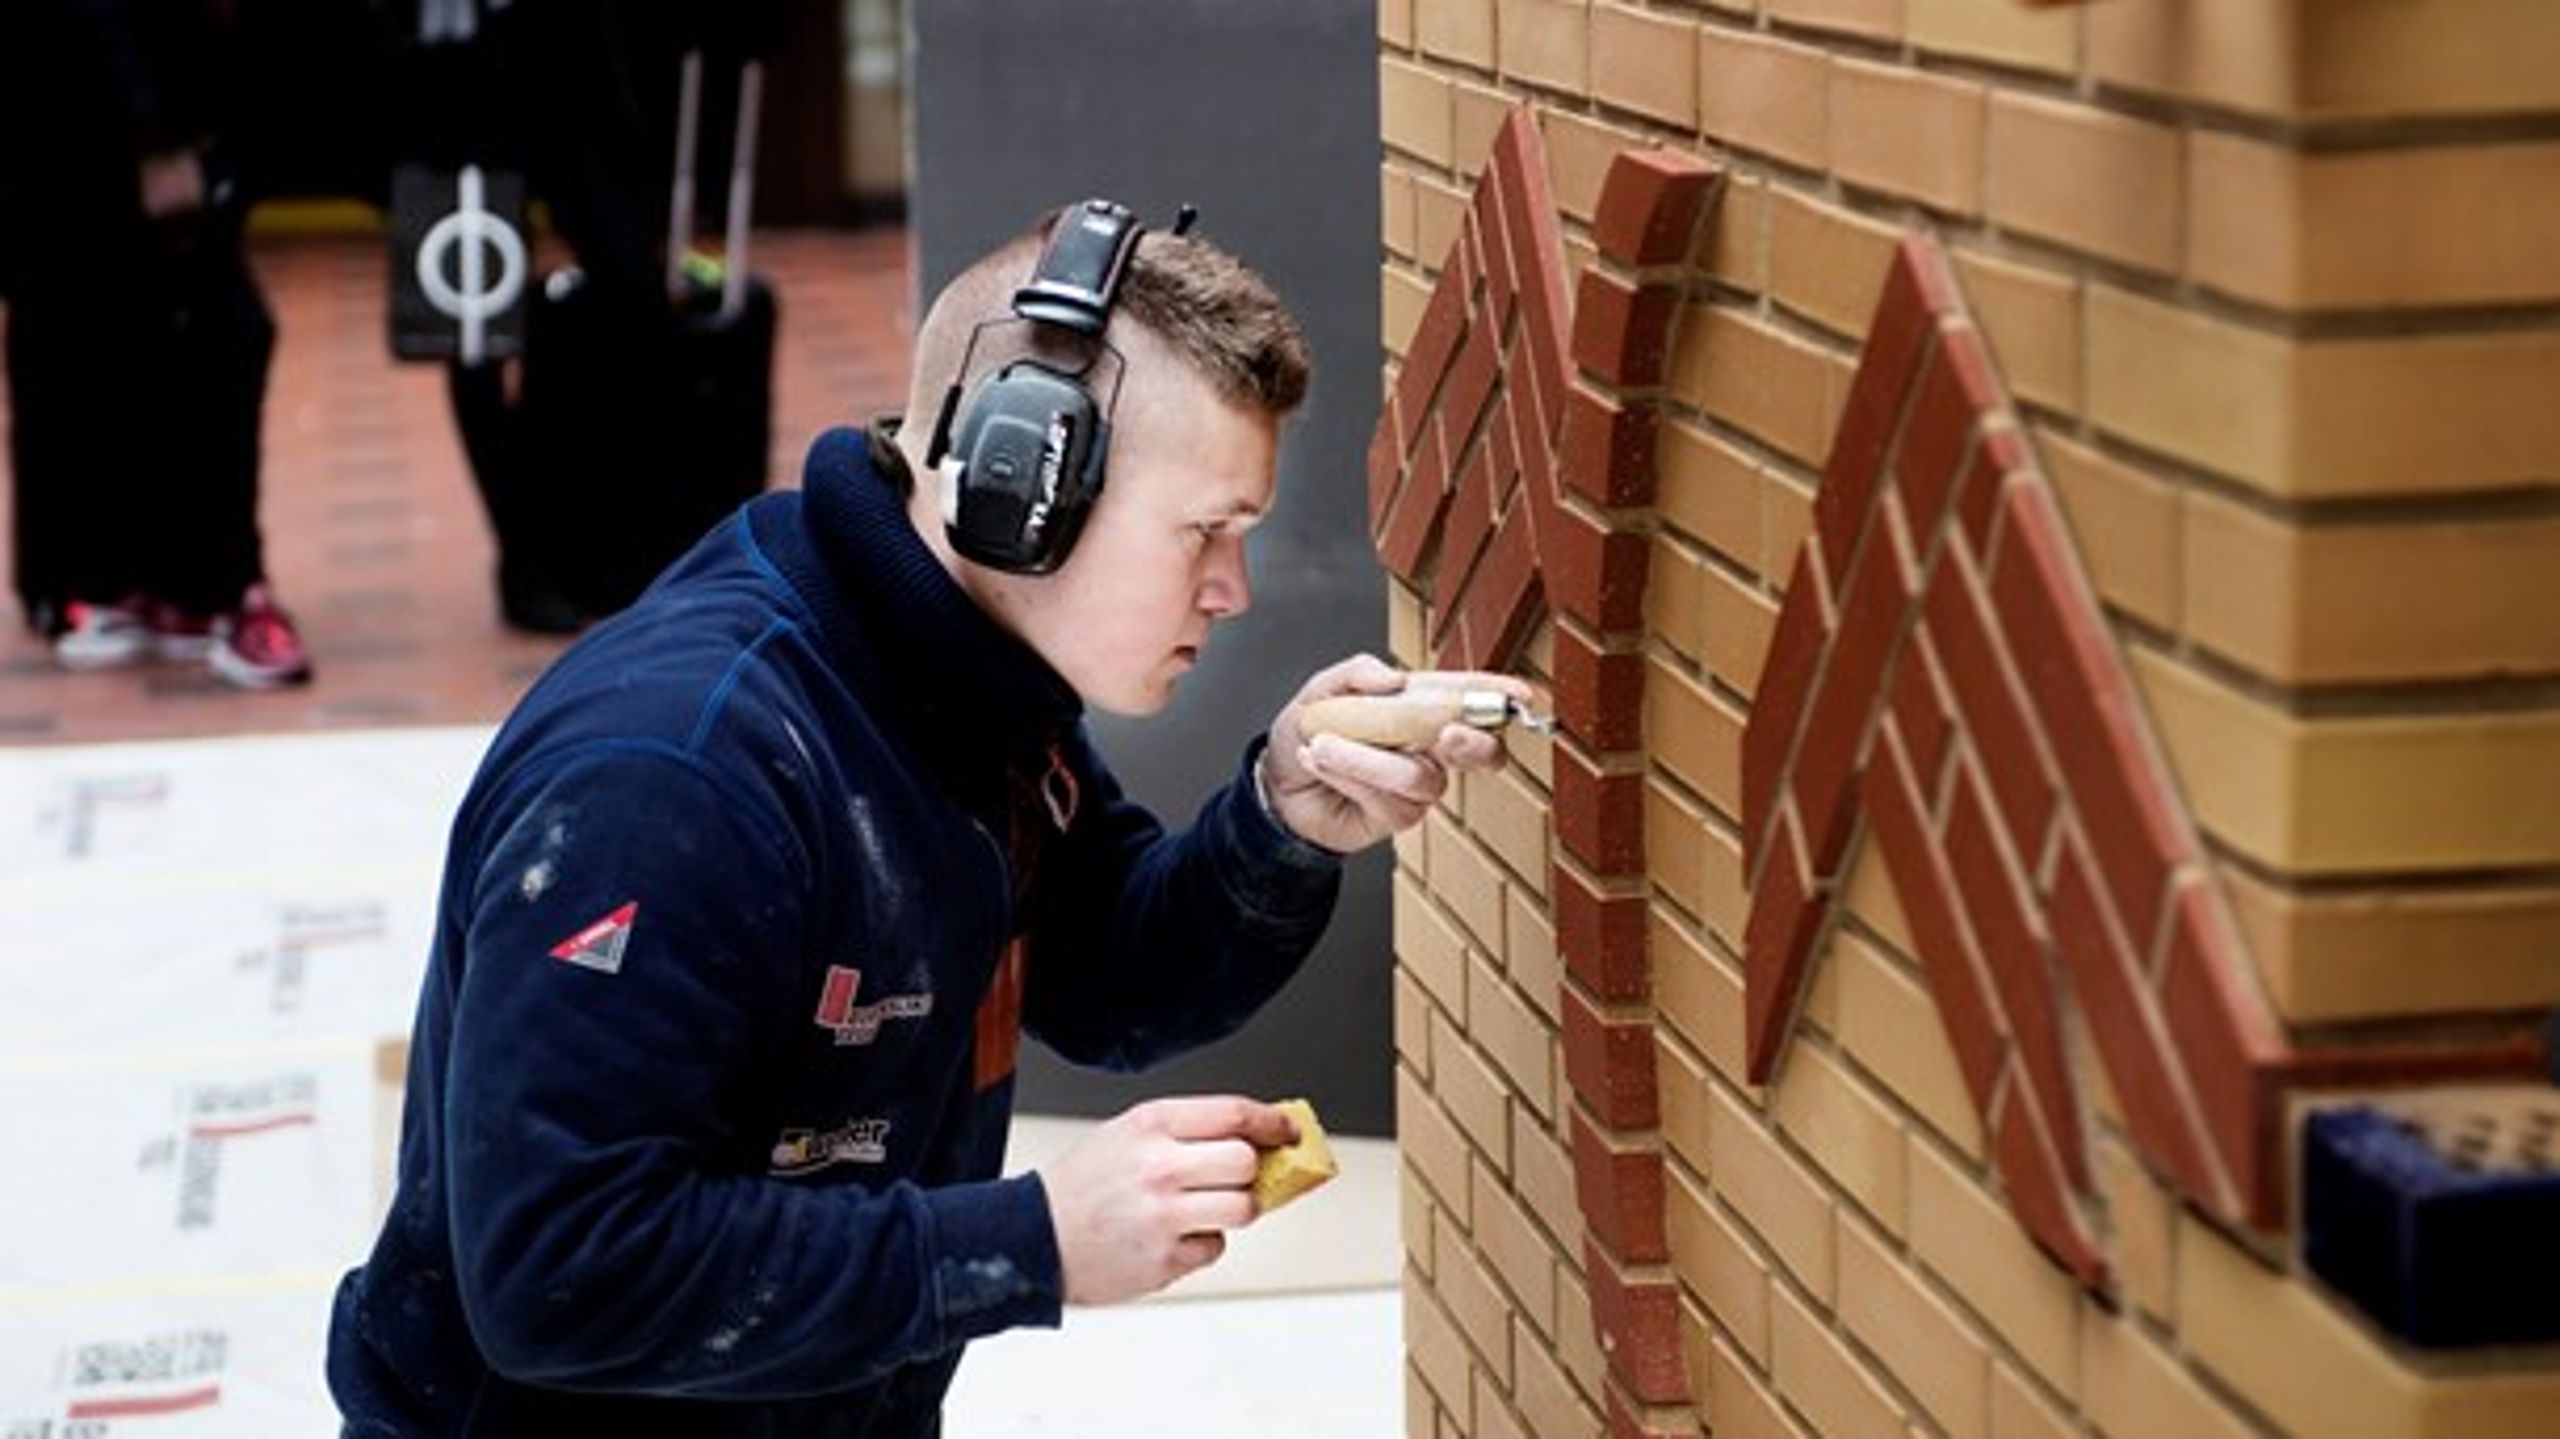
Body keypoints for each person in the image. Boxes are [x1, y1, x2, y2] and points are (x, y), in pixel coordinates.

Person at [325, 203, 1525, 1434]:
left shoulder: (967, 688)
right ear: (1020, 484)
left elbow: (1112, 984)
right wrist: (1031, 1240)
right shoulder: (673, 776)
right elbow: (560, 1272)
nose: (1232, 590)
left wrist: (1281, 821)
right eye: (1204, 533)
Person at [1, 0, 312, 687]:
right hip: (105, 126)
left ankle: (143, 582)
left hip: (113, 116)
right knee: (207, 335)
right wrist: (159, 135)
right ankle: (215, 589)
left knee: (135, 342)